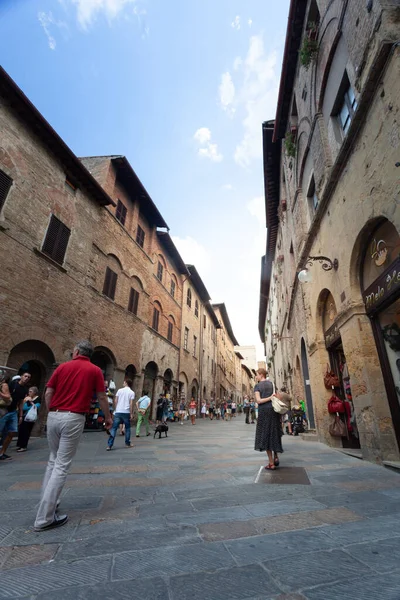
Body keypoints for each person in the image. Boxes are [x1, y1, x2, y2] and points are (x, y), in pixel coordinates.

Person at [34, 340, 112, 531]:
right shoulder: (94, 370)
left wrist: (52, 409)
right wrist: (108, 417)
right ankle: (44, 518)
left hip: (54, 415)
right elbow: (102, 397)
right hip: (74, 417)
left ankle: (49, 503)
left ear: (76, 351)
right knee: (61, 466)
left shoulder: (62, 367)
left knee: (53, 461)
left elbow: (48, 391)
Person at [254, 368, 283, 470]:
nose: (256, 377)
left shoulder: (257, 386)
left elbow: (259, 401)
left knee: (265, 435)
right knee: (274, 433)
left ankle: (271, 463)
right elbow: (278, 397)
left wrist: (269, 398)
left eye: (257, 375)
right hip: (274, 411)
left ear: (261, 375)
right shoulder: (272, 384)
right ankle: (276, 457)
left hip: (264, 413)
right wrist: (272, 397)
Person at [0, 372, 31, 461]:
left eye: (28, 377)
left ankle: (2, 453)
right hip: (4, 410)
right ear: (21, 376)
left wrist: (20, 415)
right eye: (25, 376)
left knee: (12, 432)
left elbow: (21, 402)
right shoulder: (12, 384)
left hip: (13, 411)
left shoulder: (25, 389)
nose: (27, 378)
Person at [107, 379, 135, 450]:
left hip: (118, 412)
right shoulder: (132, 392)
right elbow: (131, 403)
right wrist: (131, 413)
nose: (123, 383)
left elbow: (115, 400)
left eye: (124, 382)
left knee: (114, 428)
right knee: (127, 428)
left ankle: (109, 445)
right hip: (126, 412)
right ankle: (127, 443)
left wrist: (117, 409)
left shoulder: (119, 390)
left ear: (126, 383)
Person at [16, 386, 41, 452]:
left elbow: (36, 407)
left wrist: (30, 401)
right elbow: (23, 407)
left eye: (31, 391)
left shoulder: (37, 399)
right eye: (29, 391)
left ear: (35, 392)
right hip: (24, 416)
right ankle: (20, 445)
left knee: (26, 431)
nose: (29, 393)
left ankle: (23, 446)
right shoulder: (27, 398)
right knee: (21, 430)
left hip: (30, 417)